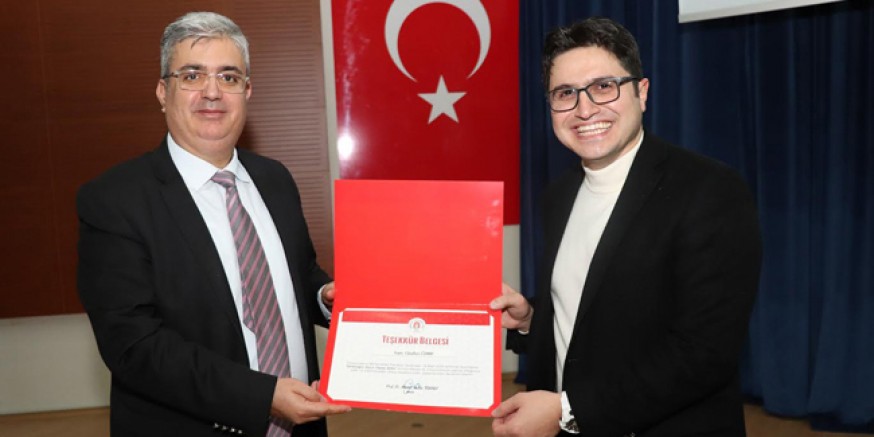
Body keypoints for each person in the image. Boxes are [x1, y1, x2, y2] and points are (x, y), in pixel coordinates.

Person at [77, 12, 349, 436]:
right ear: (163, 92)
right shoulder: (114, 199)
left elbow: (298, 273)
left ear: (247, 90)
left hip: (305, 424)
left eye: (228, 76)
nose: (212, 91)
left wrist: (323, 297)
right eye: (191, 76)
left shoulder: (275, 179)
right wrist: (263, 397)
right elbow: (134, 345)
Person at [490, 17, 761, 437]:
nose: (584, 109)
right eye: (565, 93)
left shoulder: (709, 190)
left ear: (642, 92)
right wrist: (531, 318)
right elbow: (597, 307)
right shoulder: (558, 195)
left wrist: (568, 410)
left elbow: (704, 353)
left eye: (603, 86)